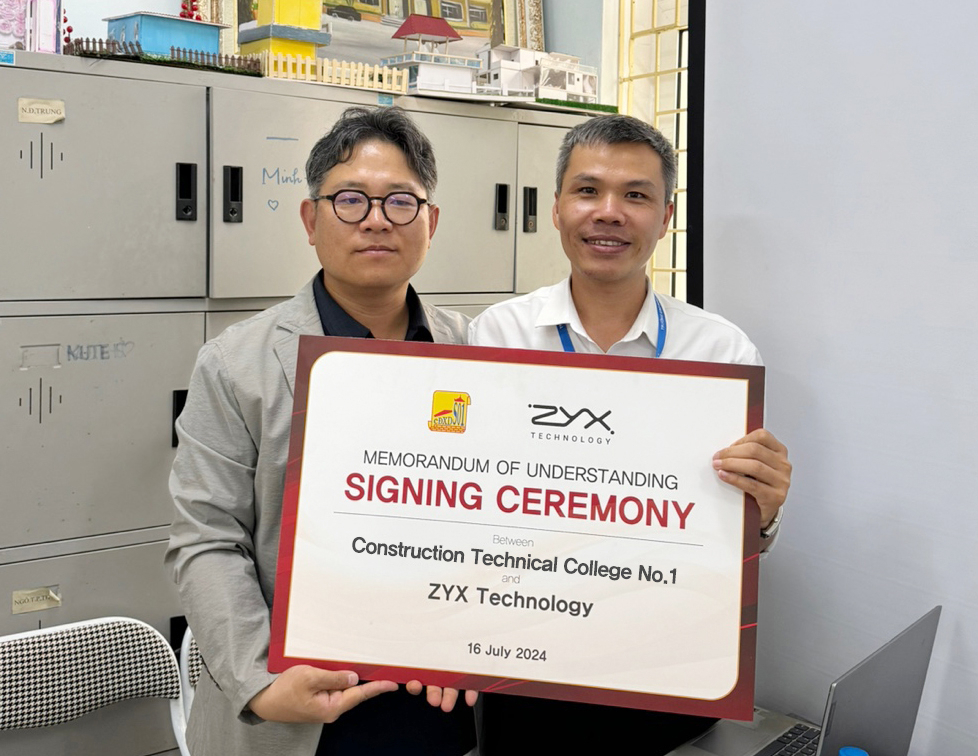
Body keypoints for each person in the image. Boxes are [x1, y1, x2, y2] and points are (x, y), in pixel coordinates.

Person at [468, 114, 792, 754]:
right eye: (587, 191)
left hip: (665, 661)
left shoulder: (720, 350)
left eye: (636, 195)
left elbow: (730, 536)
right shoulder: (495, 337)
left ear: (666, 215)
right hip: (530, 664)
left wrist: (765, 512)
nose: (609, 212)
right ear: (557, 207)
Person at [166, 106, 477, 756]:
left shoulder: (475, 355)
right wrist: (259, 681)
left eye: (400, 201)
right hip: (298, 709)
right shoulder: (235, 365)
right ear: (311, 221)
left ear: (431, 223)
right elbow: (207, 540)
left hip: (437, 700)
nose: (375, 220)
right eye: (350, 200)